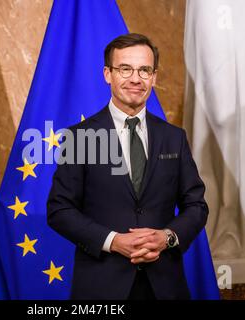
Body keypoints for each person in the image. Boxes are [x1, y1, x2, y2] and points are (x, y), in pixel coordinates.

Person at [47, 33, 208, 300]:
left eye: (144, 70)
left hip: (165, 287)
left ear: (154, 77)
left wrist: (167, 237)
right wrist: (113, 241)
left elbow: (197, 205)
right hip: (101, 287)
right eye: (125, 69)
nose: (136, 78)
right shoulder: (79, 137)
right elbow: (59, 209)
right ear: (107, 74)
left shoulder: (174, 137)